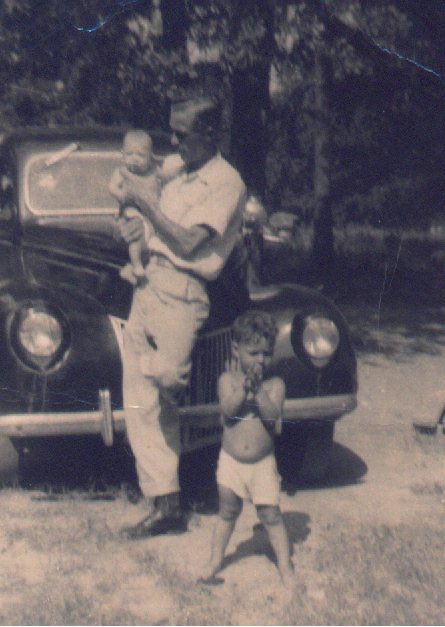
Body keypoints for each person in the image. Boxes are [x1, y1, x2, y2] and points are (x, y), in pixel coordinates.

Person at [117, 96, 247, 539]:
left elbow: (192, 244)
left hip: (184, 291)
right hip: (148, 284)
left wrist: (146, 205)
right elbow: (159, 228)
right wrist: (139, 229)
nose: (172, 142)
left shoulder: (226, 183)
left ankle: (185, 486)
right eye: (171, 132)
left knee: (167, 380)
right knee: (140, 395)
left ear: (211, 135)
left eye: (182, 135)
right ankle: (164, 501)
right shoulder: (176, 173)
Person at [200, 310, 294, 588]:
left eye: (266, 354)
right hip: (231, 462)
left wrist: (259, 392)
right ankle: (215, 559)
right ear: (236, 350)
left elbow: (272, 416)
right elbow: (228, 412)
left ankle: (286, 565)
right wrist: (244, 389)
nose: (260, 361)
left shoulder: (275, 385)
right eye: (254, 353)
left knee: (270, 514)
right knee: (227, 512)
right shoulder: (227, 381)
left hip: (262, 463)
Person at [109, 129, 160, 284]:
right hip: (132, 211)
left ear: (151, 157)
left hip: (152, 214)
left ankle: (133, 267)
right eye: (130, 154)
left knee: (152, 238)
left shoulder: (154, 172)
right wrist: (121, 195)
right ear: (122, 154)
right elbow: (112, 187)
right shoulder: (122, 172)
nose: (134, 159)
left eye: (140, 155)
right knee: (137, 236)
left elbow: (164, 181)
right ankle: (136, 265)